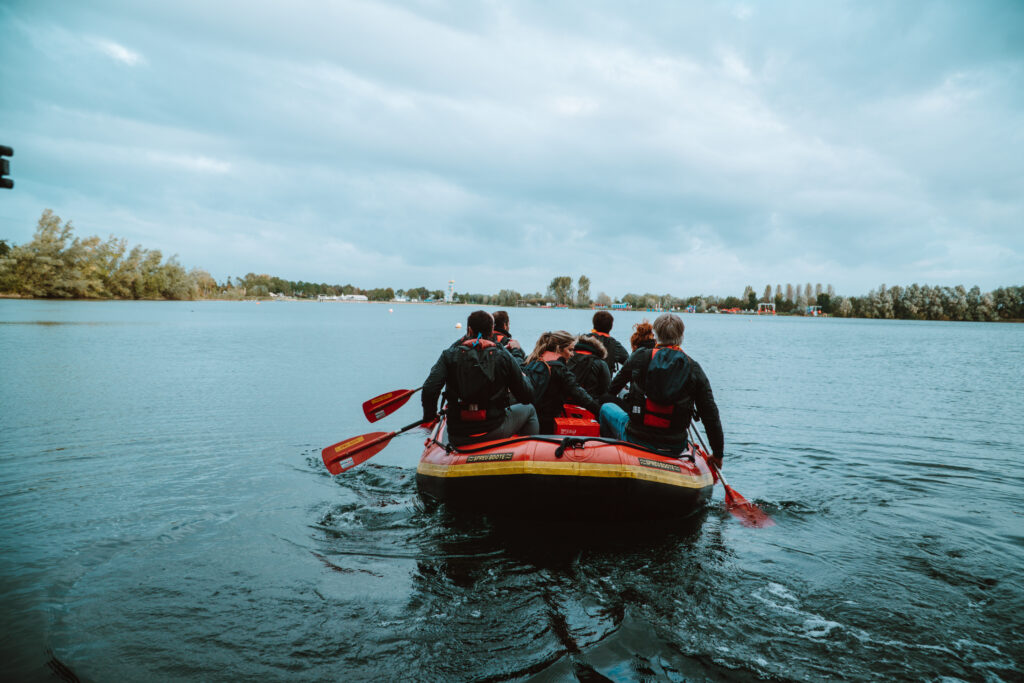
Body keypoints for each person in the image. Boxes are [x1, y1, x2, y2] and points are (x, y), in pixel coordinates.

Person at [598, 313, 724, 468]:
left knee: (605, 408)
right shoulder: (694, 368)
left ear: (656, 334)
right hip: (675, 445)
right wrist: (718, 454)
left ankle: (611, 458)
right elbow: (710, 414)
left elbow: (612, 389)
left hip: (636, 437)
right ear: (681, 336)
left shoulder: (639, 357)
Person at [424, 310, 538, 445]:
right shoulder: (503, 356)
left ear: (469, 330)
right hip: (494, 430)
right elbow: (527, 396)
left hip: (458, 434)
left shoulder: (448, 355)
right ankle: (526, 451)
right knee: (529, 409)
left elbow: (429, 389)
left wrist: (430, 417)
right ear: (491, 332)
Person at [524, 331, 602, 434]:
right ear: (558, 348)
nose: (572, 354)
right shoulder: (560, 370)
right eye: (570, 350)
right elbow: (580, 394)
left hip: (532, 419)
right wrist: (600, 411)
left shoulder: (533, 361)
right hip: (548, 424)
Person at [450, 309, 524, 362]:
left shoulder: (455, 349)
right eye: (509, 324)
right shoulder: (507, 345)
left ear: (470, 330)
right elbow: (522, 364)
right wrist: (516, 350)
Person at [567, 334, 611, 399]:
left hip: (564, 402)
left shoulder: (566, 358)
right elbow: (605, 389)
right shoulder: (601, 363)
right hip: (589, 403)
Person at [588, 310, 629, 376]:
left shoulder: (582, 340)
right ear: (611, 327)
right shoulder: (615, 345)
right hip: (604, 384)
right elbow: (629, 363)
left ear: (594, 324)